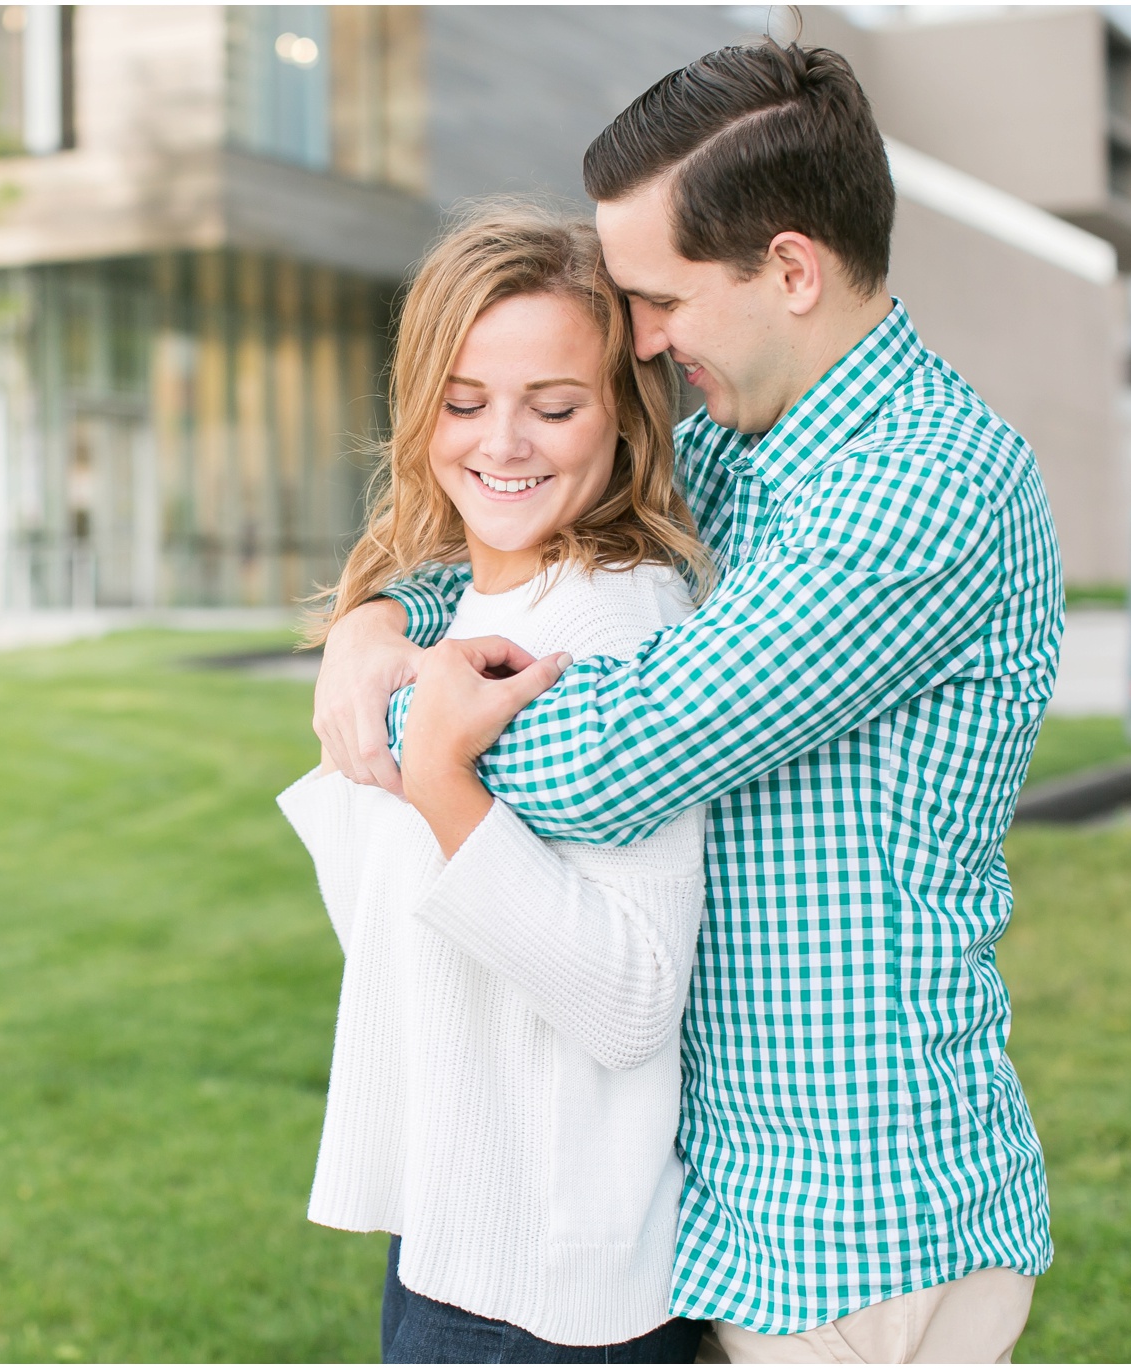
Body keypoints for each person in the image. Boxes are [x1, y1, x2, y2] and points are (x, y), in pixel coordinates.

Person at [313, 42, 1057, 1365]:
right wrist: (384, 619)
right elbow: (547, 552)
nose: (639, 340)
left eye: (657, 298)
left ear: (788, 269)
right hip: (730, 1201)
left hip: (861, 1210)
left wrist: (420, 734)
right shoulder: (737, 442)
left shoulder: (923, 490)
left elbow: (616, 752)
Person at [280, 205, 716, 1364]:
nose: (503, 443)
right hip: (459, 1241)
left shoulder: (610, 625)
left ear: (621, 417)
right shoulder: (471, 607)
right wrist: (372, 617)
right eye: (464, 402)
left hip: (551, 1287)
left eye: (553, 405)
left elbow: (628, 995)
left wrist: (434, 774)